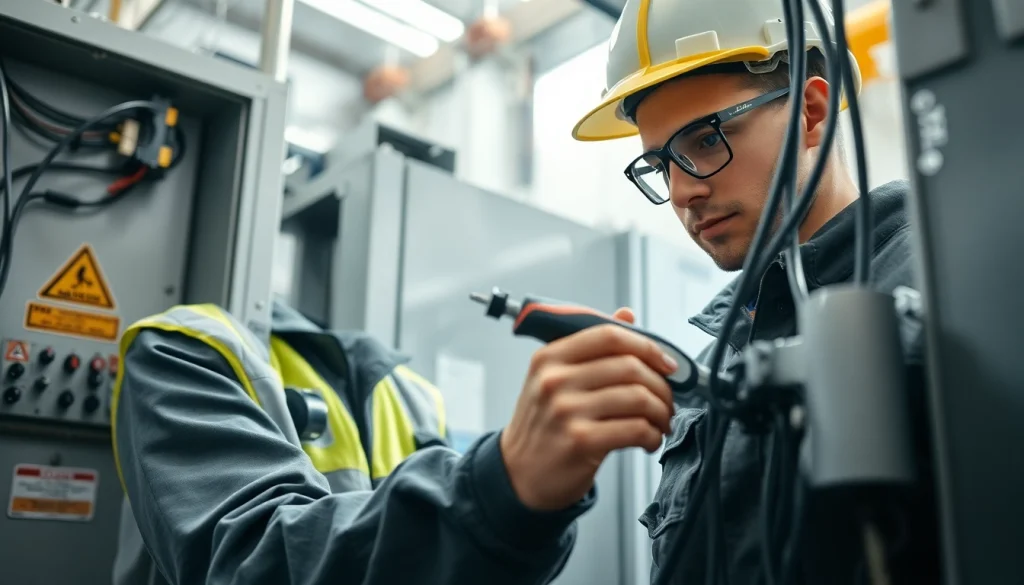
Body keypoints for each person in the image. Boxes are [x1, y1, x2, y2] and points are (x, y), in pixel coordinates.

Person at [565, 0, 939, 583]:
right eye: (661, 164)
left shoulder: (946, 285)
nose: (683, 191)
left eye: (707, 141)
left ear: (812, 111)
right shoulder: (714, 368)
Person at [112, 291, 677, 585]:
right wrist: (498, 484)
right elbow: (245, 568)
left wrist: (523, 509)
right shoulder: (186, 348)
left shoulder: (409, 392)